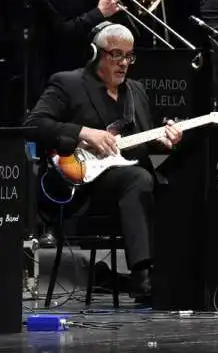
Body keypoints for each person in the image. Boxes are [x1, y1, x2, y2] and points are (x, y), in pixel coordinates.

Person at [24, 22, 183, 305]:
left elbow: (146, 150)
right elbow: (34, 125)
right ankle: (141, 276)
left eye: (129, 56)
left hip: (130, 185)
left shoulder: (136, 91)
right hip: (83, 189)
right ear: (95, 53)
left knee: (174, 175)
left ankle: (178, 272)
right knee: (139, 178)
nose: (124, 63)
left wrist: (166, 142)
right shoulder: (68, 83)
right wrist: (83, 133)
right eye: (116, 55)